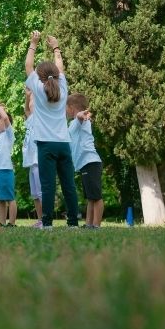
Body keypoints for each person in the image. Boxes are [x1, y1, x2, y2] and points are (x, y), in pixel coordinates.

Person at [24, 31, 79, 229]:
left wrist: (33, 43)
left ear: (39, 77)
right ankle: (73, 223)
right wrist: (56, 47)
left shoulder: (38, 90)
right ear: (56, 75)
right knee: (69, 185)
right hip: (63, 144)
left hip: (45, 145)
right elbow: (60, 67)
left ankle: (47, 224)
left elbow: (28, 66)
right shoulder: (63, 88)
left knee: (47, 186)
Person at [66, 94, 103, 229]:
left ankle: (96, 225)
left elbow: (79, 116)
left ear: (71, 108)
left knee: (96, 196)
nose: (65, 111)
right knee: (90, 197)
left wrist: (80, 115)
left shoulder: (81, 120)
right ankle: (88, 224)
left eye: (65, 108)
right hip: (84, 164)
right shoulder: (74, 123)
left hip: (90, 162)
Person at [0, 98, 17, 227]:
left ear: (5, 124)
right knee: (0, 199)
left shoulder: (8, 134)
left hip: (5, 170)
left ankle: (11, 223)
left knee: (10, 198)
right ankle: (2, 222)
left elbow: (5, 118)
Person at [22, 88, 43, 228]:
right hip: (31, 162)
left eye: (32, 102)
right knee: (35, 194)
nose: (30, 105)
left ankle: (46, 220)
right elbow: (26, 110)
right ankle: (41, 219)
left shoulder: (41, 118)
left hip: (38, 160)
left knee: (41, 192)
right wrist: (27, 97)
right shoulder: (30, 119)